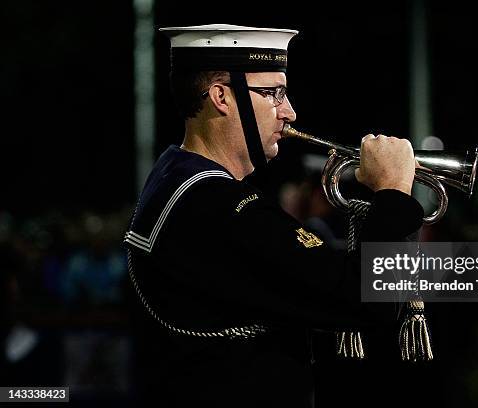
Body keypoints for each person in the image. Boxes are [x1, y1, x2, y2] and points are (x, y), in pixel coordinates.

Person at [124, 24, 424, 407]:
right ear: (221, 97)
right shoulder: (217, 206)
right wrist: (394, 194)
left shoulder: (175, 180)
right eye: (273, 94)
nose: (289, 112)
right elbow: (369, 297)